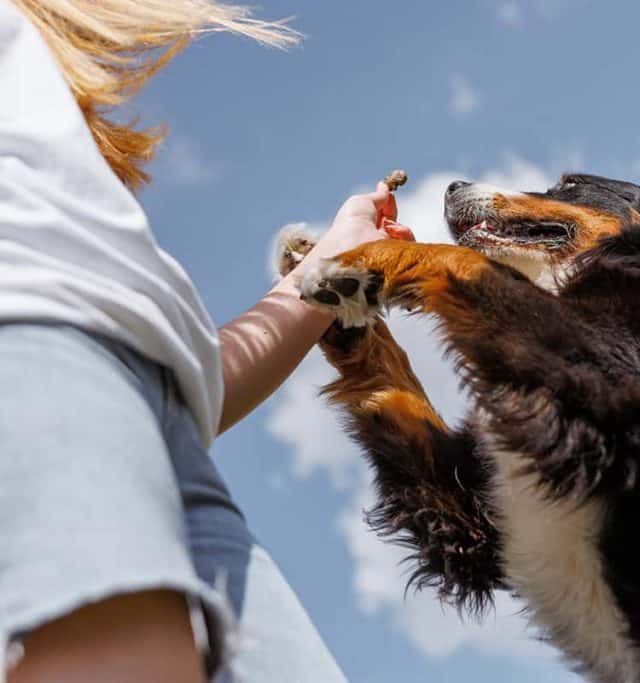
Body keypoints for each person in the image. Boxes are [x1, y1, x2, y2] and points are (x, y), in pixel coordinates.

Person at [0, 1, 409, 680]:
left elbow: (195, 383)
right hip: (37, 363)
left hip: (157, 432)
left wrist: (332, 267)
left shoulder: (56, 170)